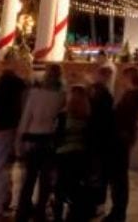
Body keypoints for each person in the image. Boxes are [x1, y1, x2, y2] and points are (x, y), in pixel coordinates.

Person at [0, 55, 29, 222]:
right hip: (6, 128)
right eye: (23, 62)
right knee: (0, 169)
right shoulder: (13, 82)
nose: (25, 65)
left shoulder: (2, 80)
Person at [16, 63, 65, 221]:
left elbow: (26, 118)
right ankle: (40, 213)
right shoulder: (60, 96)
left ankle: (22, 213)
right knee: (45, 182)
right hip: (49, 139)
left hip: (32, 137)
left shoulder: (36, 94)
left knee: (29, 180)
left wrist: (19, 140)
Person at [102, 65, 138, 222]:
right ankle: (118, 210)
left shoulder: (132, 97)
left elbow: (123, 118)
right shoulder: (133, 96)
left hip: (121, 140)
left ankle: (118, 211)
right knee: (119, 178)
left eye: (123, 77)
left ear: (129, 78)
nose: (121, 80)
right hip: (123, 138)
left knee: (119, 178)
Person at [53, 85, 92, 222]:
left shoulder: (63, 116)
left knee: (59, 189)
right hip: (80, 155)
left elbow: (56, 135)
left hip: (63, 155)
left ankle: (58, 216)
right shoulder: (87, 116)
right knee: (75, 189)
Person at [84, 65, 116, 215]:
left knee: (97, 173)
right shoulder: (103, 94)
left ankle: (96, 203)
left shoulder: (102, 96)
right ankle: (95, 202)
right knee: (96, 173)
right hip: (99, 139)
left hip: (98, 139)